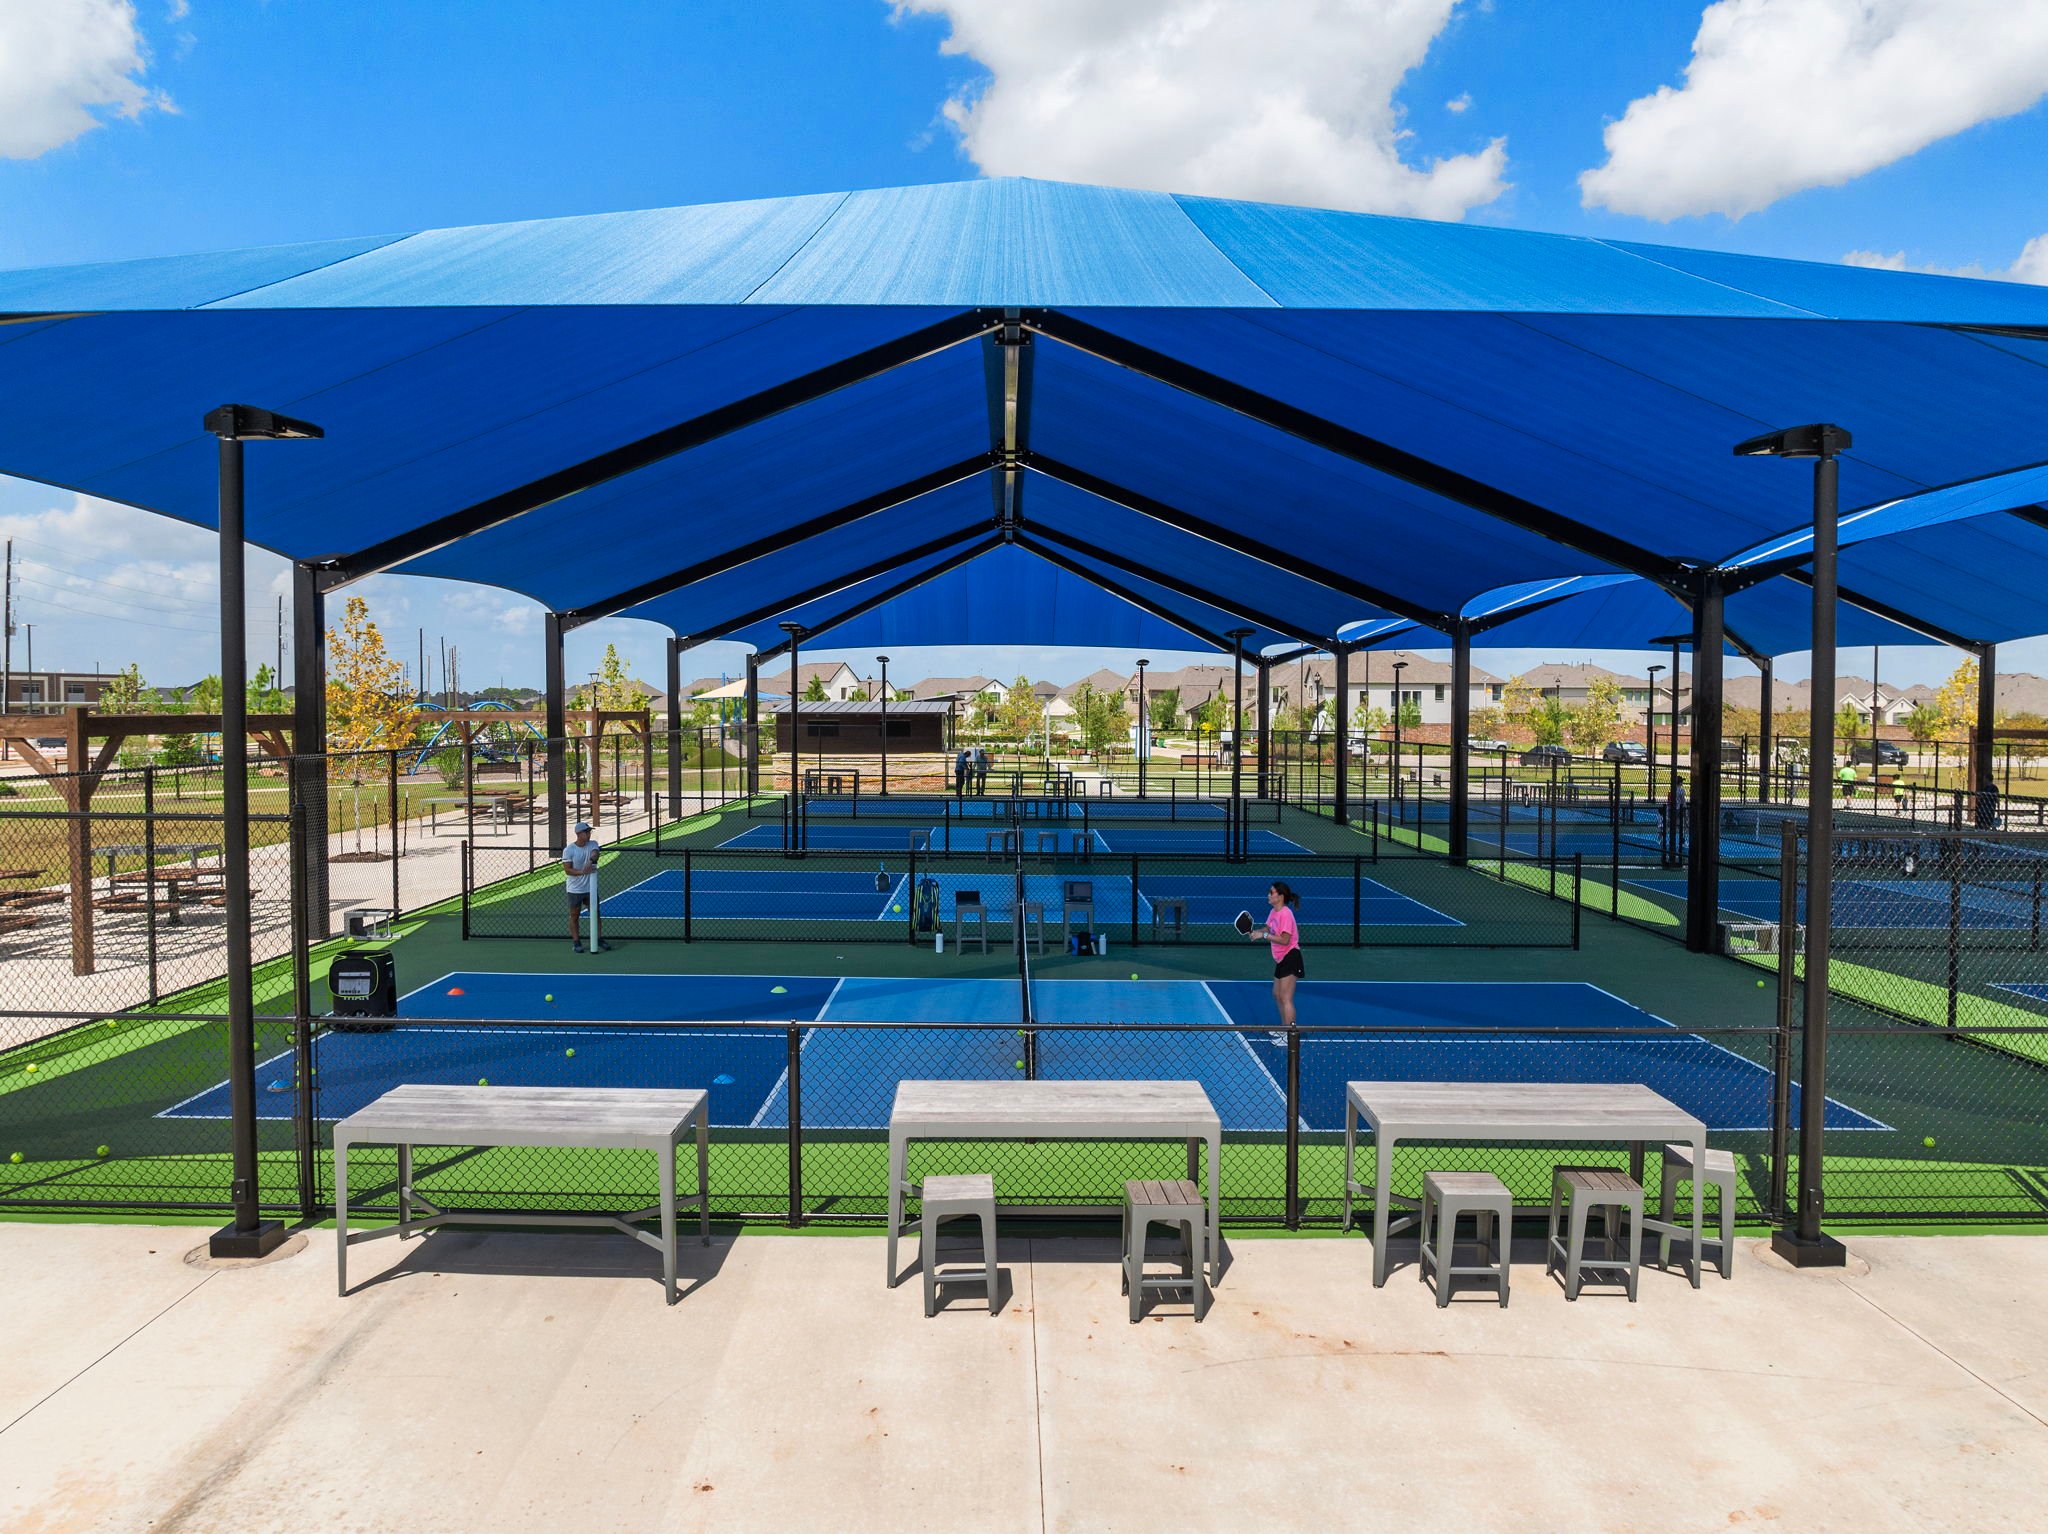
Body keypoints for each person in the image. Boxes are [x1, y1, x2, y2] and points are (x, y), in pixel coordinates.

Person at [1244, 881, 1303, 1028]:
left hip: (1291, 956)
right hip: (1281, 959)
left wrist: (1262, 936)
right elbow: (1269, 928)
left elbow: (1284, 939)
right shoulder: (1273, 912)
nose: (1268, 895)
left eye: (1271, 892)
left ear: (1280, 896)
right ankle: (1284, 1028)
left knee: (1285, 997)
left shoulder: (1286, 914)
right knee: (1277, 994)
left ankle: (1290, 1035)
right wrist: (1257, 932)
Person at [562, 820, 605, 952]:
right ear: (579, 833)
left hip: (590, 889)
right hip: (575, 889)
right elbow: (567, 870)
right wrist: (582, 872)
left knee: (596, 914)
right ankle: (576, 942)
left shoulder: (593, 844)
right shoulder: (569, 850)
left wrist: (591, 860)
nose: (589, 834)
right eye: (586, 832)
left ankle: (599, 939)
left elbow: (595, 853)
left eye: (589, 831)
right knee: (574, 915)